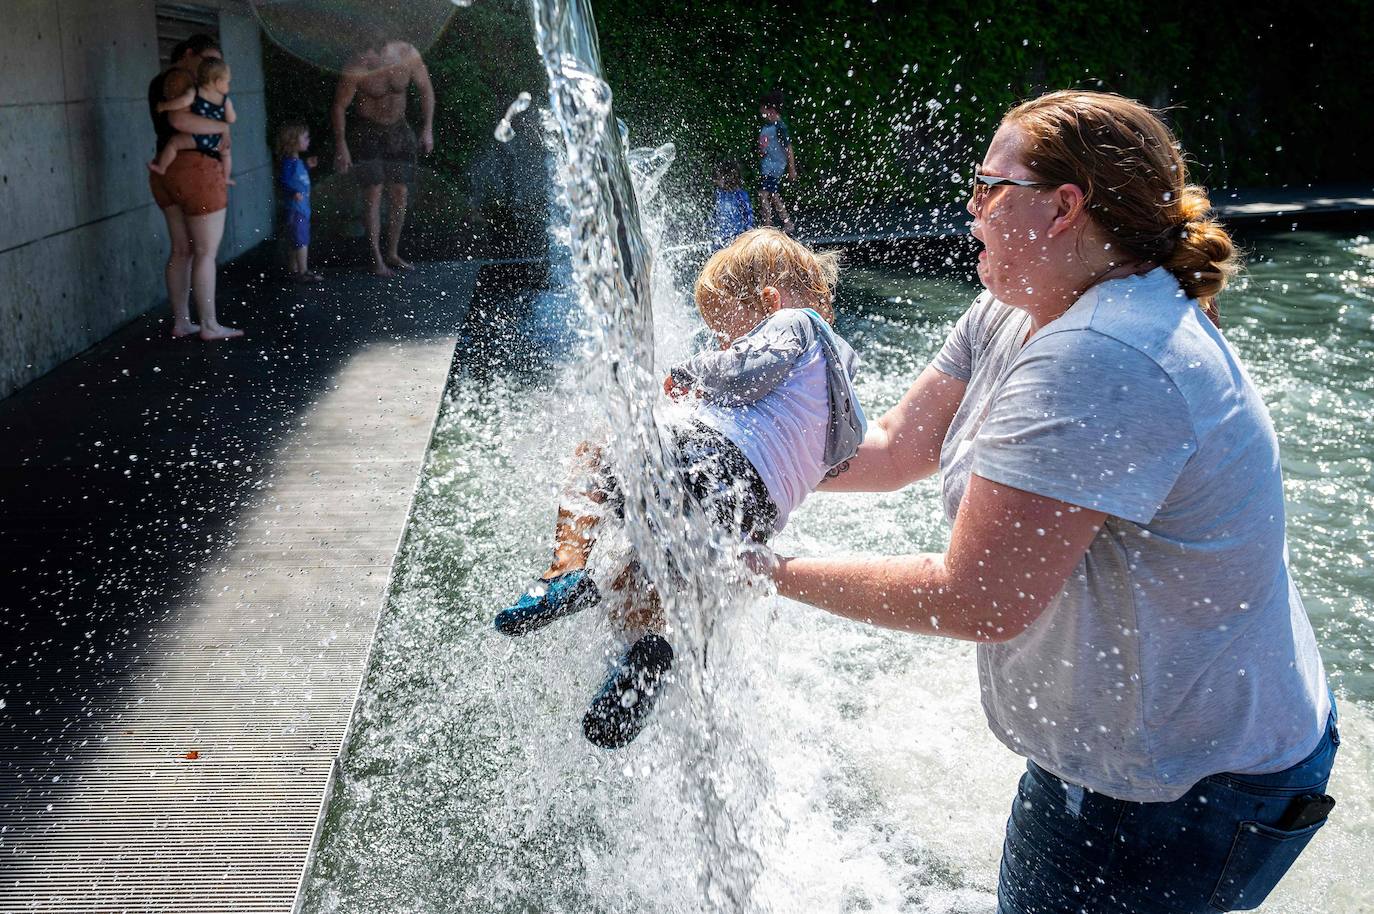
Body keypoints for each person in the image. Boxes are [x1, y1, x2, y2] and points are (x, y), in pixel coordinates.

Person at [763, 90, 1335, 913]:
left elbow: (976, 597)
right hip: (1127, 762)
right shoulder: (1016, 303)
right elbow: (893, 446)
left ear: (1065, 207)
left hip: (1189, 792)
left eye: (988, 187)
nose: (971, 207)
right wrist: (729, 461)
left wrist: (762, 568)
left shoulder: (1106, 355)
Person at [494, 229, 867, 750]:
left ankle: (565, 571)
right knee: (649, 575)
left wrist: (689, 374)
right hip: (750, 517)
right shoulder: (842, 393)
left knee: (598, 451)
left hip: (707, 463)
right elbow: (836, 461)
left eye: (725, 333)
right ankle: (651, 647)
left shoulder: (795, 323)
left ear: (768, 302)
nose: (721, 345)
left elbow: (750, 366)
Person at [147, 34, 243, 341]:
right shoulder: (182, 78)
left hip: (168, 172)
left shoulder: (159, 81)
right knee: (204, 252)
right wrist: (221, 127)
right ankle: (210, 325)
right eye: (207, 59)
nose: (210, 68)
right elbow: (179, 120)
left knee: (182, 249)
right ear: (189, 53)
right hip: (196, 169)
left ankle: (183, 321)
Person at [331, 30, 435, 278]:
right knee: (374, 192)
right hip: (367, 132)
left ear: (387, 50)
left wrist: (427, 128)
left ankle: (392, 253)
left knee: (400, 191)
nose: (369, 60)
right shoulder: (357, 65)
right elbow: (339, 105)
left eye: (374, 56)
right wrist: (341, 144)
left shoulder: (408, 54)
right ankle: (376, 258)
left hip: (399, 130)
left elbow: (426, 90)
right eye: (366, 55)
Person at [149, 58, 237, 187]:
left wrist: (164, 106)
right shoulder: (225, 100)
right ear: (218, 82)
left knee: (174, 144)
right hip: (217, 140)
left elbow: (182, 102)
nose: (228, 86)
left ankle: (162, 167)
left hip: (197, 136)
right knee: (226, 154)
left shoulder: (194, 92)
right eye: (228, 82)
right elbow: (231, 119)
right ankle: (226, 177)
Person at [276, 123, 320, 283]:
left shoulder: (296, 162)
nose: (308, 140)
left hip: (301, 208)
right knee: (301, 240)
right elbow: (284, 181)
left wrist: (307, 167)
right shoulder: (289, 162)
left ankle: (294, 270)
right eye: (305, 138)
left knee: (296, 238)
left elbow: (296, 178)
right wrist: (292, 192)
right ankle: (303, 271)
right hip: (296, 209)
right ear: (294, 141)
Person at [756, 90, 797, 235]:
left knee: (763, 194)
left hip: (774, 167)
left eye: (763, 111)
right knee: (773, 195)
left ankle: (768, 224)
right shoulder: (768, 127)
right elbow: (766, 147)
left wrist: (792, 169)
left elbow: (788, 148)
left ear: (771, 110)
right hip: (768, 166)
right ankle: (787, 222)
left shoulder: (780, 127)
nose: (762, 114)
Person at [707, 159, 753, 249]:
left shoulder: (740, 195)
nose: (715, 181)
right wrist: (710, 227)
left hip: (737, 238)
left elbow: (748, 213)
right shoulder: (719, 193)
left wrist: (749, 230)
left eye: (718, 178)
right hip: (720, 238)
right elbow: (715, 214)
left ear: (728, 178)